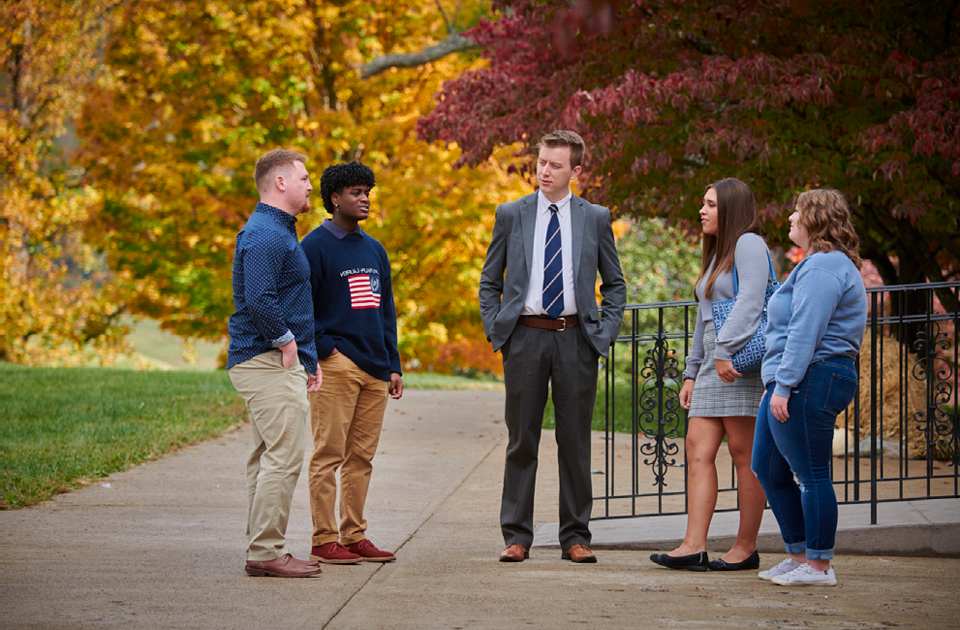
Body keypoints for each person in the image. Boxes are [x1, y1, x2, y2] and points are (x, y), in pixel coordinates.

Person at [479, 130, 626, 564]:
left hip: (576, 340)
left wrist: (604, 332)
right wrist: (497, 329)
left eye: (555, 164)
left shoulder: (596, 217)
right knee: (521, 439)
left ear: (576, 171)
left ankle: (576, 537)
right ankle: (517, 537)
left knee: (575, 442)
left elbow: (615, 284)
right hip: (524, 338)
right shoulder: (511, 214)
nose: (544, 170)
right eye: (541, 162)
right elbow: (490, 280)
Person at [650, 178, 773, 572]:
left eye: (710, 205)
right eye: (702, 203)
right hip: (711, 364)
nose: (701, 211)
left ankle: (745, 547)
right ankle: (692, 545)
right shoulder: (718, 251)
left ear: (732, 209)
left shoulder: (749, 244)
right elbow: (706, 320)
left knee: (743, 454)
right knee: (696, 449)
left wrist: (725, 353)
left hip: (739, 361)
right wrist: (690, 372)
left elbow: (752, 303)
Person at [752, 189, 867, 586]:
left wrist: (783, 385)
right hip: (795, 377)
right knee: (766, 466)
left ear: (814, 219)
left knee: (812, 474)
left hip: (813, 376)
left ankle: (820, 565)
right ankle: (800, 554)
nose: (789, 217)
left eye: (796, 211)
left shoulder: (823, 267)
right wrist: (777, 384)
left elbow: (806, 330)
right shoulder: (815, 264)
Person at [226, 149, 323, 578]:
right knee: (284, 456)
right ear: (280, 182)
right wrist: (287, 344)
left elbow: (287, 298)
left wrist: (308, 356)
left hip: (273, 358)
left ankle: (260, 546)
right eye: (303, 178)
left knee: (267, 456)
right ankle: (267, 551)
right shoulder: (266, 233)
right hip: (265, 359)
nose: (309, 185)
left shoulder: (276, 230)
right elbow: (259, 299)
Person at [300, 161, 403, 565]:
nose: (364, 199)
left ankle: (354, 535)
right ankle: (324, 539)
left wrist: (392, 363)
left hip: (376, 368)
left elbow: (385, 312)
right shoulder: (313, 247)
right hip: (337, 365)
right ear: (334, 198)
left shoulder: (374, 249)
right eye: (356, 192)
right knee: (328, 455)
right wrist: (326, 350)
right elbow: (300, 307)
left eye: (367, 192)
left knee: (362, 458)